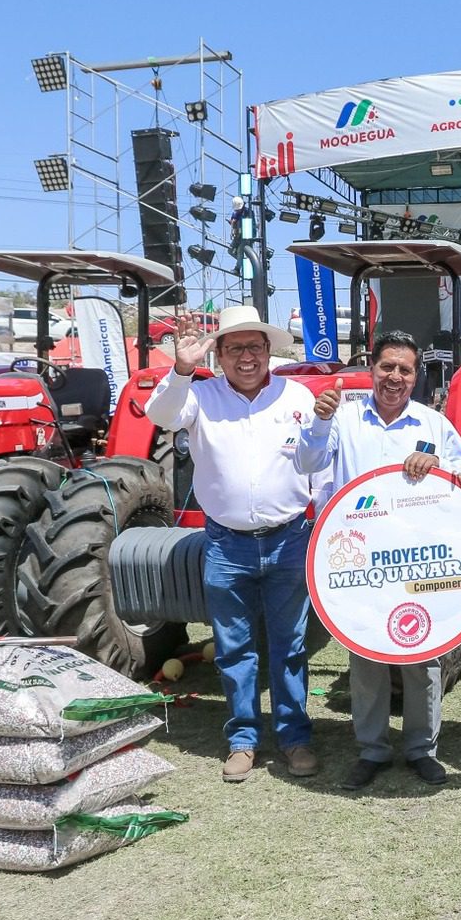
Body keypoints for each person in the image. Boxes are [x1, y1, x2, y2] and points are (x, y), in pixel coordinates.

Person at [295, 330, 461, 792]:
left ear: (416, 377)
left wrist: (438, 465)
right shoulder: (343, 418)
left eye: (405, 370)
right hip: (358, 561)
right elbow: (308, 462)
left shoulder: (432, 425)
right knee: (365, 656)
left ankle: (421, 749)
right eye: (387, 367)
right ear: (372, 369)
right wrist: (319, 422)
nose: (395, 377)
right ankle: (372, 749)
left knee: (423, 655)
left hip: (415, 561)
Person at [144, 306, 316, 783]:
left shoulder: (296, 396)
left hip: (288, 540)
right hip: (226, 545)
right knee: (234, 648)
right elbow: (160, 414)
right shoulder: (199, 396)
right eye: (234, 347)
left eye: (254, 346)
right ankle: (243, 740)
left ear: (268, 350)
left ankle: (295, 738)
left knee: (290, 646)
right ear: (217, 355)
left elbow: (319, 459)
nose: (246, 356)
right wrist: (181, 369)